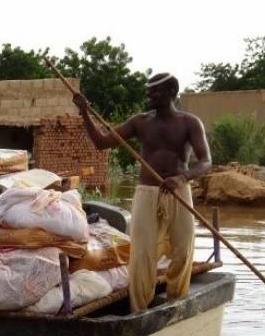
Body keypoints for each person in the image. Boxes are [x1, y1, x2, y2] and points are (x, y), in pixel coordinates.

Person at [72, 73, 211, 312]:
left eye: (154, 92)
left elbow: (205, 161)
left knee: (183, 248)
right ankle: (140, 309)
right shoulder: (140, 122)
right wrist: (84, 112)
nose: (149, 96)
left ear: (171, 92)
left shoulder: (190, 122)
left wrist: (182, 177)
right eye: (148, 92)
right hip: (147, 192)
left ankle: (176, 300)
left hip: (178, 190)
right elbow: (102, 142)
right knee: (142, 253)